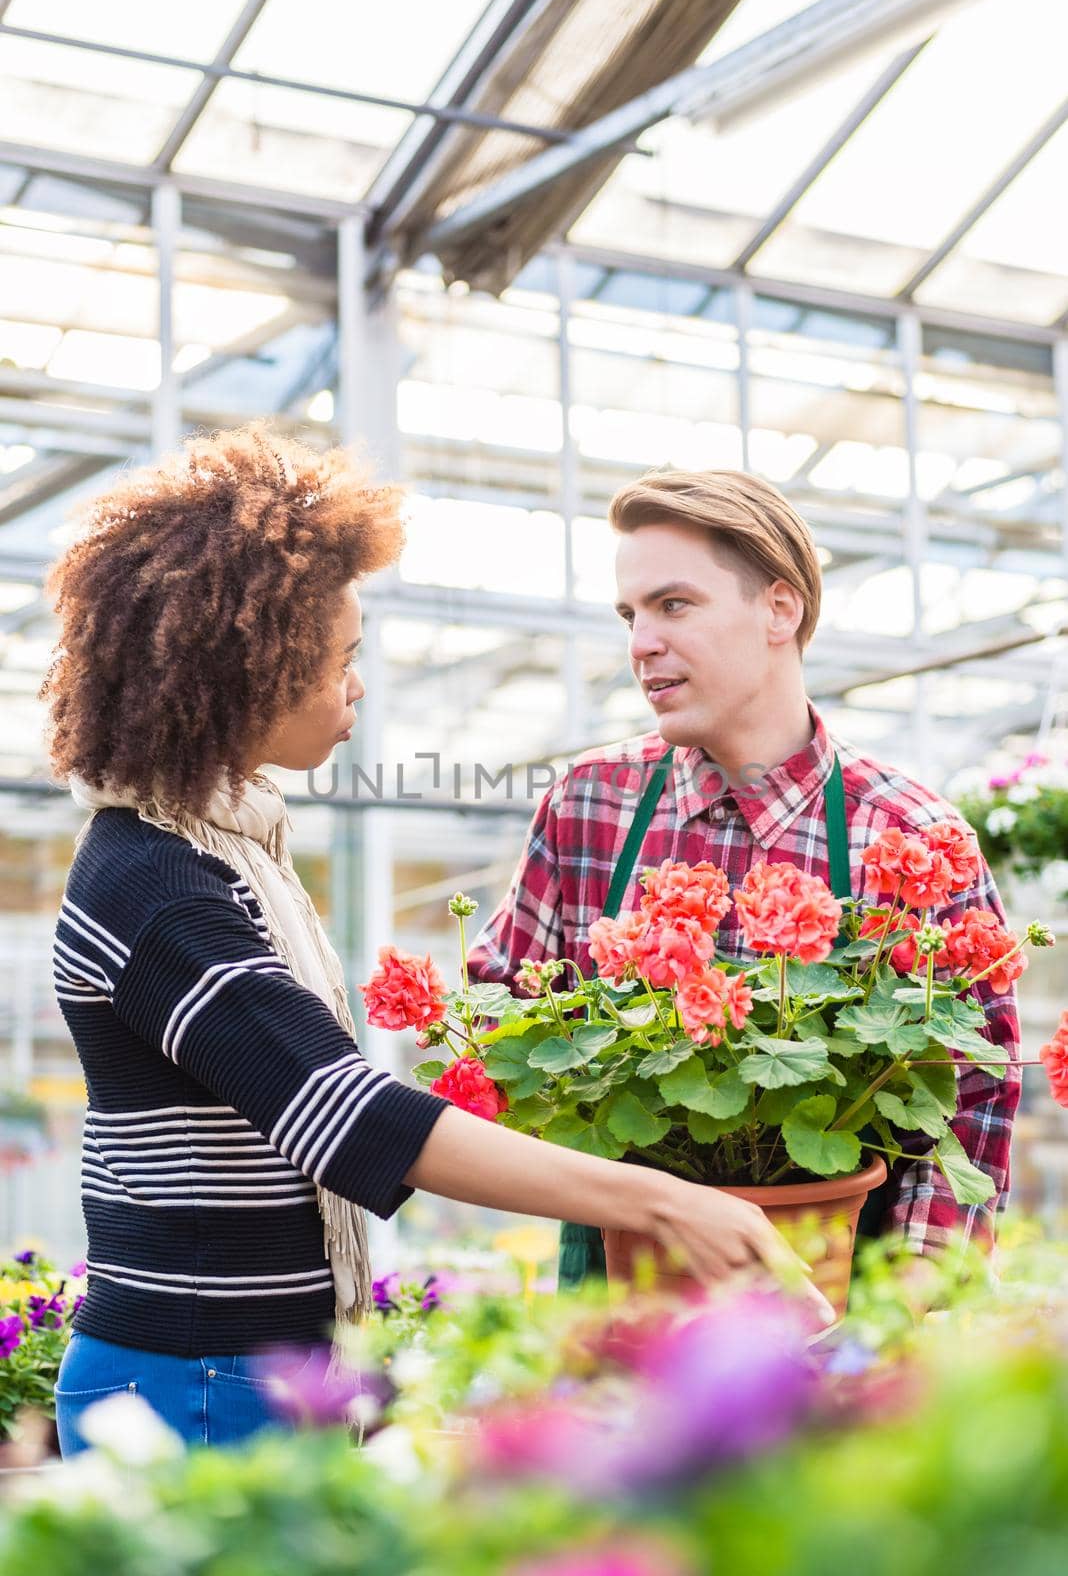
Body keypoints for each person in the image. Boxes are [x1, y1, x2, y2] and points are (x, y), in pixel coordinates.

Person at [43, 429, 826, 1457]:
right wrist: (664, 1199)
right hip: (192, 1384)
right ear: (250, 669)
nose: (356, 687)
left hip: (242, 1370)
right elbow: (342, 1114)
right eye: (340, 661)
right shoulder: (152, 886)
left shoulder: (225, 852)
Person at [467, 469, 1020, 1288]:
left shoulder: (909, 833)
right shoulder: (588, 805)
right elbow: (498, 1025)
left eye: (674, 604)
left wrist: (904, 1305)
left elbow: (974, 1091)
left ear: (780, 608)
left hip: (834, 1314)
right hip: (619, 1299)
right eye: (631, 614)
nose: (639, 643)